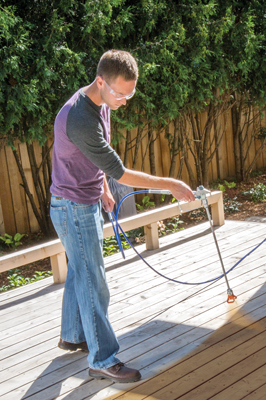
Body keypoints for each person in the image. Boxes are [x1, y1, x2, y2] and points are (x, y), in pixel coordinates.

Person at [49, 49, 195, 384]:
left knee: (80, 269)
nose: (125, 101)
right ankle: (102, 359)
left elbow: (90, 161)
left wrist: (101, 188)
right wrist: (171, 184)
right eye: (121, 94)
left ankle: (73, 335)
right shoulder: (80, 118)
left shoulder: (101, 102)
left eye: (130, 94)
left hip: (81, 199)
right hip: (72, 207)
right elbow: (120, 171)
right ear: (100, 81)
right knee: (93, 282)